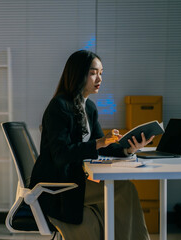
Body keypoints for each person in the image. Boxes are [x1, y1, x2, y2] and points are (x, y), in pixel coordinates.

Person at [29, 50, 154, 240]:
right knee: (124, 189)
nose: (99, 78)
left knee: (125, 189)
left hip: (74, 180)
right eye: (93, 72)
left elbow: (101, 146)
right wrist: (99, 142)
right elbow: (61, 155)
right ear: (78, 74)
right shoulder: (58, 106)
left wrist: (129, 149)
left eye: (101, 73)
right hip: (57, 185)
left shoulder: (89, 107)